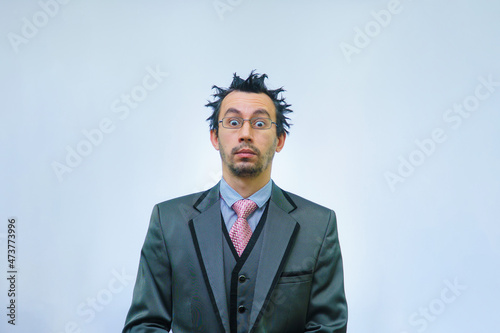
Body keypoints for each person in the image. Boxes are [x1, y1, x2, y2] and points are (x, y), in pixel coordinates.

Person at [122, 71, 348, 333]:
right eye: (233, 122)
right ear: (215, 137)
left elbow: (327, 328)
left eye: (260, 124)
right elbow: (145, 325)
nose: (245, 134)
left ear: (280, 140)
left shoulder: (318, 225)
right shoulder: (168, 220)